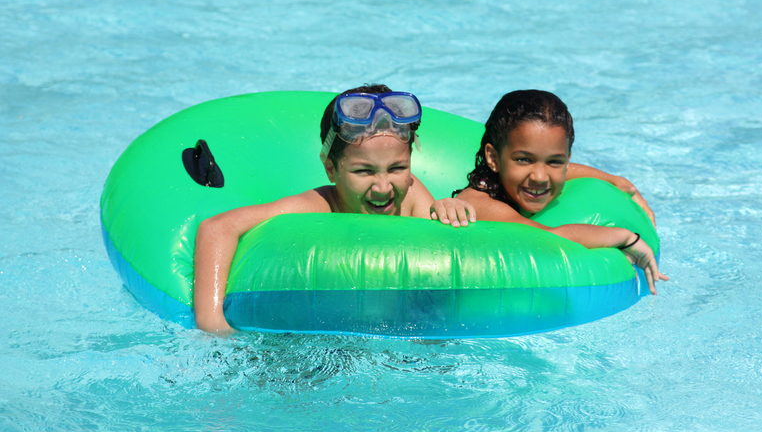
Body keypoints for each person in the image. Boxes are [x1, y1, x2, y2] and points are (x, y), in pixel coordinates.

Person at [194, 84, 476, 334]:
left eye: (397, 168)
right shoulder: (319, 207)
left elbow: (442, 258)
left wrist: (446, 208)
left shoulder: (412, 194)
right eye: (364, 171)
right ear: (331, 169)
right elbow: (216, 228)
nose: (383, 187)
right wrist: (214, 324)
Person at [455, 89, 667, 294]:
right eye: (524, 159)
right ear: (493, 158)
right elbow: (544, 238)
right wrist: (626, 237)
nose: (540, 176)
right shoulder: (478, 203)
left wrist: (618, 182)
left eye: (554, 161)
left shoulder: (532, 178)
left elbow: (570, 171)